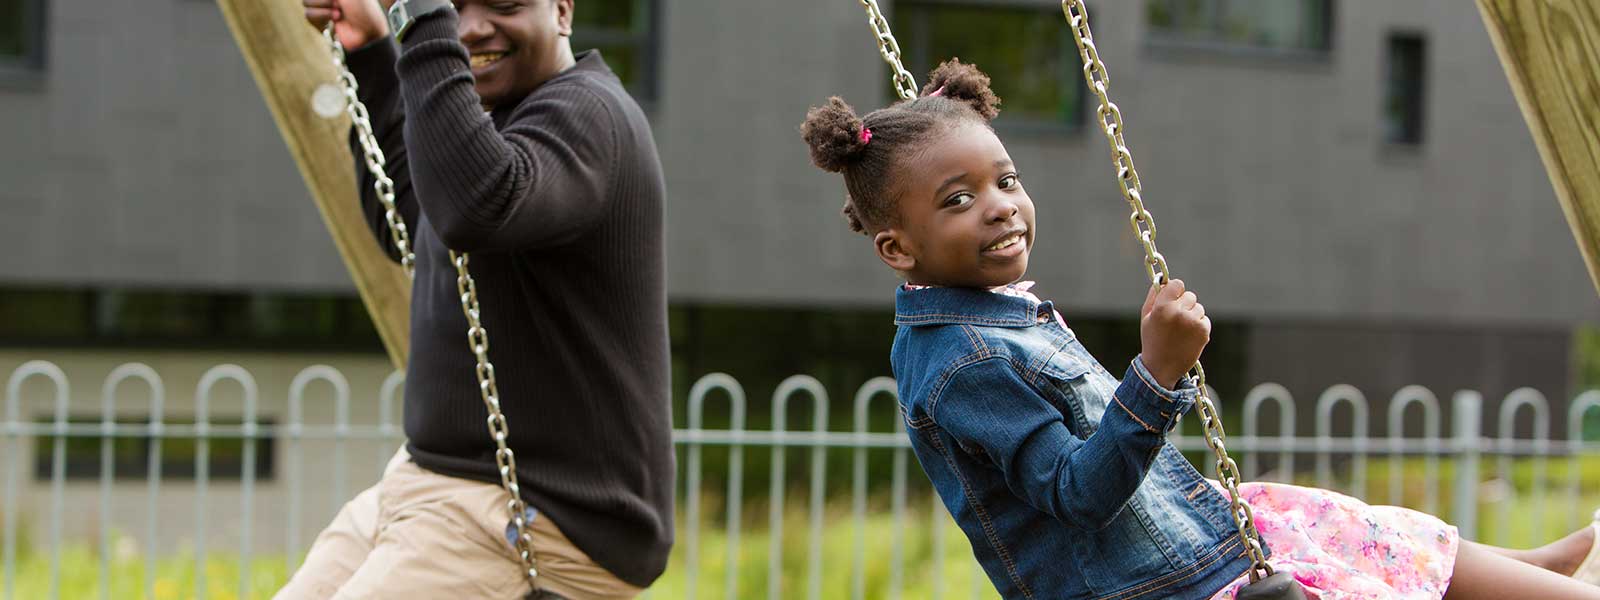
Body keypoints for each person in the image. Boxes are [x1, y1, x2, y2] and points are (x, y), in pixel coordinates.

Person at [798, 58, 1600, 600]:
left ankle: (1531, 572)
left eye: (1004, 179)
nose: (1000, 204)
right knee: (1325, 550)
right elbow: (1076, 494)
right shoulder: (961, 362)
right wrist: (1156, 374)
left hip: (1175, 539)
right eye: (957, 199)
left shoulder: (985, 316)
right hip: (1152, 582)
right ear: (897, 248)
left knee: (1333, 520)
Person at [278, 0, 672, 598]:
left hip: (541, 518)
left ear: (562, 11)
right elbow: (413, 219)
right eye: (453, 6)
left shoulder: (591, 114)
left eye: (505, 4)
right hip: (428, 485)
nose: (471, 26)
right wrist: (371, 50)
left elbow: (474, 207)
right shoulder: (495, 121)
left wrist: (421, 13)